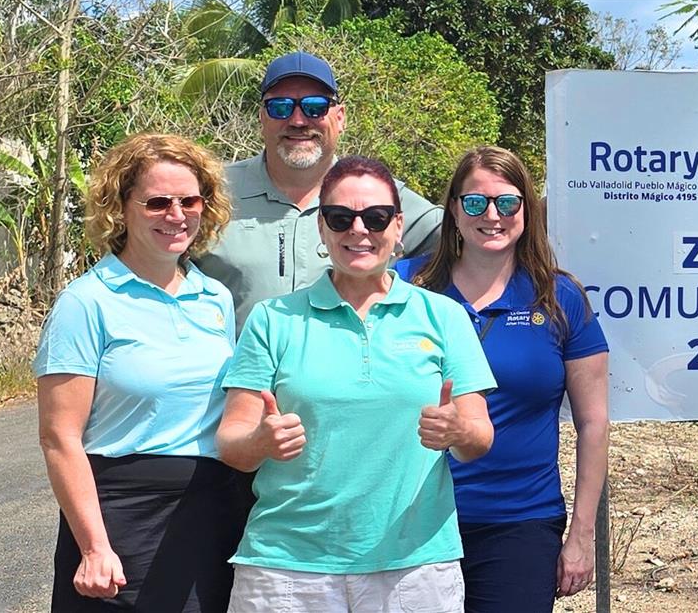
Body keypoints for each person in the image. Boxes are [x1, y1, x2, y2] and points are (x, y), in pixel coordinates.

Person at [216, 156, 497, 612]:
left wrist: (458, 431)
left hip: (413, 568)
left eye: (376, 217)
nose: (359, 230)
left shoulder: (443, 316)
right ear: (322, 228)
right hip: (288, 569)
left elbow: (479, 437)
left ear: (398, 225)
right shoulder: (273, 319)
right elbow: (232, 443)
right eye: (340, 218)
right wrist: (260, 441)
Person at [33, 133, 252, 612]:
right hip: (119, 519)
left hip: (211, 513)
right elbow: (59, 438)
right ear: (120, 209)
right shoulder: (86, 302)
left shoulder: (215, 298)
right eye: (157, 202)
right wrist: (95, 547)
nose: (176, 215)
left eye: (189, 200)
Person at [395, 147, 610, 612]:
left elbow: (593, 423)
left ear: (526, 210)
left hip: (519, 521)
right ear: (454, 211)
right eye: (475, 202)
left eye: (507, 202)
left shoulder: (559, 297)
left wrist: (581, 535)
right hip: (407, 519)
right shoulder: (405, 286)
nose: (492, 216)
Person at [198, 51, 445, 320]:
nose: (298, 121)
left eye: (315, 106)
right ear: (262, 117)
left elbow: (465, 234)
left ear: (340, 118)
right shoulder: (210, 190)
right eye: (280, 107)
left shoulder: (382, 197)